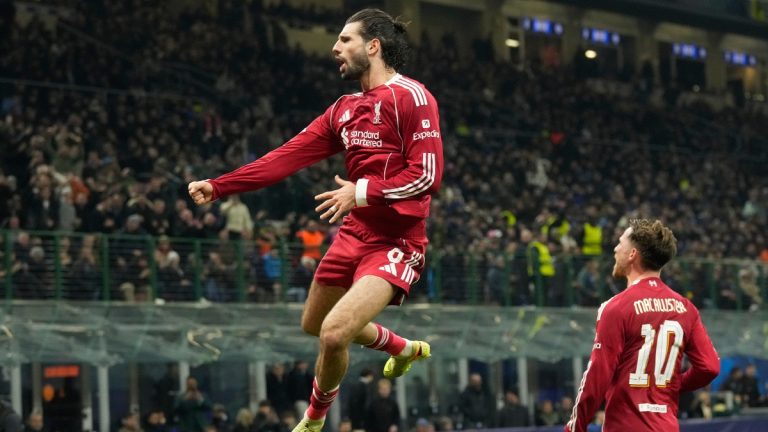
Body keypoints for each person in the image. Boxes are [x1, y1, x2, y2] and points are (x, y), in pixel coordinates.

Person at [188, 8, 442, 432]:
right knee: (314, 324)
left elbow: (427, 176)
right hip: (354, 232)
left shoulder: (413, 98)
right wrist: (219, 186)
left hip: (398, 241)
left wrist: (360, 192)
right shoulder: (343, 109)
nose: (335, 48)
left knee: (334, 333)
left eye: (345, 39)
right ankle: (401, 348)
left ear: (373, 46)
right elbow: (285, 156)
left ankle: (313, 419)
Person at [565, 219, 720, 432]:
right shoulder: (686, 308)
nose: (615, 248)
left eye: (620, 242)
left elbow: (597, 376)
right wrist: (674, 384)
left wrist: (575, 427)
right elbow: (710, 367)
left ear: (632, 254)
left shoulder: (616, 307)